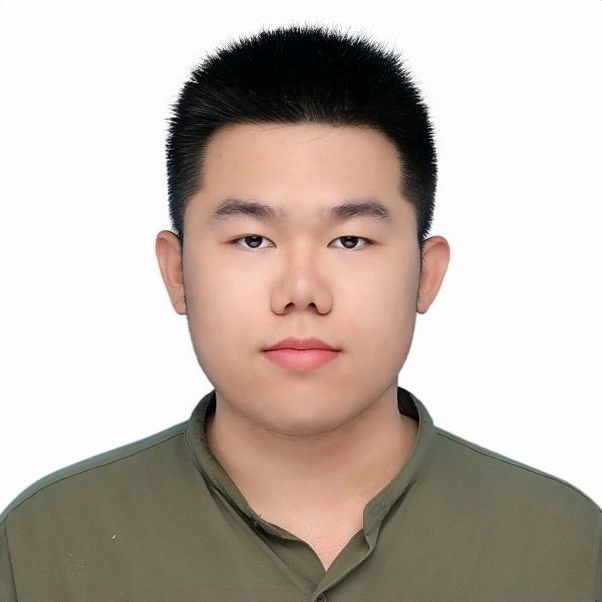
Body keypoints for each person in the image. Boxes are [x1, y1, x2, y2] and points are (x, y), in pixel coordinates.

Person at [1, 24, 600, 601]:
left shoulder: (565, 546)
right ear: (177, 271)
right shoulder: (42, 544)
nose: (302, 290)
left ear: (427, 273)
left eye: (350, 240)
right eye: (253, 240)